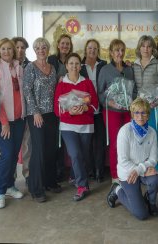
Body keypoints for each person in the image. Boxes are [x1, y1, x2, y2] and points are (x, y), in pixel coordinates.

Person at [106, 98, 158, 220]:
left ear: (148, 115)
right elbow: (123, 161)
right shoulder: (125, 131)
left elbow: (153, 159)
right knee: (141, 214)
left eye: (143, 113)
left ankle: (151, 202)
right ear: (132, 114)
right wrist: (139, 170)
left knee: (156, 180)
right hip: (128, 173)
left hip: (141, 170)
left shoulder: (152, 132)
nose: (140, 116)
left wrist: (140, 170)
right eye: (136, 112)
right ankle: (117, 190)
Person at [54, 53, 99, 201]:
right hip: (68, 126)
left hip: (86, 126)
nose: (74, 66)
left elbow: (95, 105)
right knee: (75, 154)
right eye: (71, 63)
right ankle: (82, 186)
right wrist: (69, 111)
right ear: (66, 66)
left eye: (77, 63)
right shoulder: (61, 85)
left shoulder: (87, 83)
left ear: (81, 66)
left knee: (83, 155)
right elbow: (56, 109)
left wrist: (86, 109)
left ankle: (74, 175)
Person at [0, 38, 26, 209]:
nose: (6, 52)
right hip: (3, 121)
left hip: (19, 119)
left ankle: (10, 186)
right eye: (3, 49)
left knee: (14, 153)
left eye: (9, 49)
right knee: (6, 154)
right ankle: (0, 192)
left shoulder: (19, 68)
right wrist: (4, 122)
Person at [23, 37, 61, 203]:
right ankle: (36, 188)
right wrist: (35, 112)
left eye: (44, 47)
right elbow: (27, 91)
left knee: (51, 148)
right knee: (38, 150)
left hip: (52, 113)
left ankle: (49, 182)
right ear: (34, 50)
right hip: (36, 115)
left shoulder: (52, 68)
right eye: (38, 47)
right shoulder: (30, 67)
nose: (41, 50)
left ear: (48, 49)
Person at [98, 39, 135, 184]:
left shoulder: (129, 69)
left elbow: (135, 90)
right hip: (111, 111)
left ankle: (128, 173)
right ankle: (115, 176)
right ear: (111, 53)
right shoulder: (105, 70)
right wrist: (110, 102)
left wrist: (133, 102)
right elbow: (100, 92)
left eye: (122, 50)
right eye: (116, 50)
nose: (119, 53)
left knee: (129, 142)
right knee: (115, 143)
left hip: (128, 111)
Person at [133, 35, 158, 170]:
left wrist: (155, 103)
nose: (146, 49)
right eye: (143, 46)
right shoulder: (134, 65)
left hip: (155, 109)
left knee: (154, 139)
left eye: (149, 46)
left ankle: (155, 170)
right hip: (139, 110)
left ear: (152, 48)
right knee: (140, 140)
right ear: (139, 48)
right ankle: (142, 170)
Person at [80, 39, 107, 182]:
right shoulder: (79, 65)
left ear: (98, 50)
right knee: (87, 143)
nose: (92, 51)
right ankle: (89, 170)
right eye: (90, 48)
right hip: (85, 111)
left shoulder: (103, 65)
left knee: (100, 142)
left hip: (100, 109)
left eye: (95, 48)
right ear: (86, 49)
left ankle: (99, 171)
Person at [47, 33, 73, 181]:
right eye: (62, 43)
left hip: (70, 106)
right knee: (56, 140)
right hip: (54, 105)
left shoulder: (74, 60)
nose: (65, 46)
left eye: (67, 44)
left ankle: (64, 169)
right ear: (58, 45)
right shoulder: (51, 60)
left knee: (65, 140)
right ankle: (56, 170)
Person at [12, 37, 31, 184]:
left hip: (28, 111)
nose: (20, 50)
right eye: (17, 47)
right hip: (12, 113)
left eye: (22, 47)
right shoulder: (6, 66)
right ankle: (10, 178)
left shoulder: (31, 66)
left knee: (27, 145)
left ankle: (28, 175)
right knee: (11, 147)